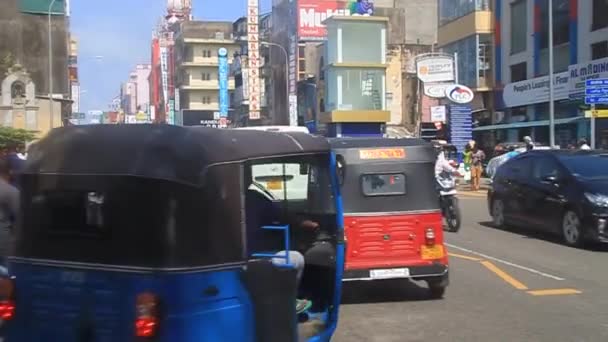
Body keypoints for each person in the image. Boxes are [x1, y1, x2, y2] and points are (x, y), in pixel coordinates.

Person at [245, 181, 315, 314]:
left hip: (234, 255)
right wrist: (303, 223)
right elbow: (281, 215)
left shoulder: (220, 198)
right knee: (297, 258)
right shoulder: (253, 197)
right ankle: (288, 302)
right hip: (252, 256)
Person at [0, 158, 19, 274]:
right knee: (8, 273)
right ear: (10, 172)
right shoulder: (10, 190)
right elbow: (21, 217)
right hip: (3, 237)